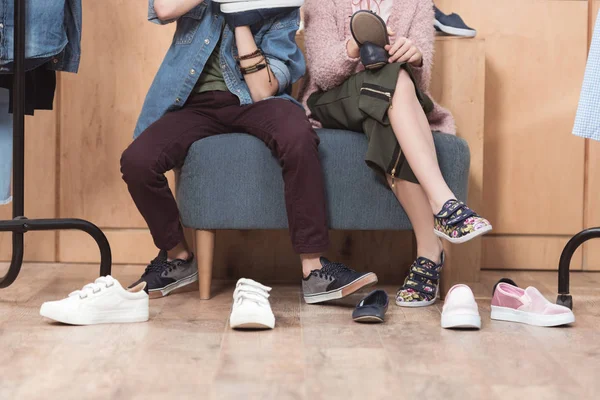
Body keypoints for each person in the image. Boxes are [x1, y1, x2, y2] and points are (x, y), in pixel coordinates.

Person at [120, 0, 378, 302]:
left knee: (297, 135)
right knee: (137, 161)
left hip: (251, 102)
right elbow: (163, 8)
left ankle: (314, 269)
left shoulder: (280, 8)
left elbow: (260, 91)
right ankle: (178, 257)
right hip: (194, 105)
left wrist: (239, 15)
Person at [299, 0, 492, 307]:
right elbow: (323, 73)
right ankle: (444, 204)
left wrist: (415, 57)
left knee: (391, 98)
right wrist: (354, 47)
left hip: (389, 98)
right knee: (393, 81)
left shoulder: (415, 3)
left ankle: (429, 252)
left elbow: (421, 79)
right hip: (334, 99)